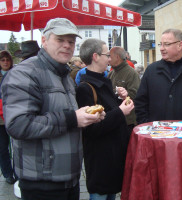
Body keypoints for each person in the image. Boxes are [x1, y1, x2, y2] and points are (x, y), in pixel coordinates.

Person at [1, 18, 105, 200]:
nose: (67, 45)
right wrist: (73, 118)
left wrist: (88, 116)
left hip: (69, 178)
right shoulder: (24, 73)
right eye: (60, 40)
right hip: (41, 182)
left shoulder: (64, 75)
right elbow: (18, 125)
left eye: (71, 42)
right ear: (44, 40)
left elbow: (68, 118)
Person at [76, 39, 134, 200]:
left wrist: (121, 99)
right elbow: (92, 129)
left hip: (111, 158)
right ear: (95, 56)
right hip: (101, 161)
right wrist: (121, 111)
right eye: (106, 54)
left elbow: (109, 111)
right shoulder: (85, 88)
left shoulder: (104, 80)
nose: (109, 58)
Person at [108, 46, 140, 133]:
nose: (108, 59)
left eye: (110, 56)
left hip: (127, 121)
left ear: (117, 57)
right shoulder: (111, 73)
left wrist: (119, 93)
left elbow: (135, 94)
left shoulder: (131, 73)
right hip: (115, 118)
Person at [0, 50, 15, 184]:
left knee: (16, 146)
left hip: (13, 115)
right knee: (2, 148)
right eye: (2, 60)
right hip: (0, 119)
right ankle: (7, 173)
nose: (5, 62)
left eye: (7, 60)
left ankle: (17, 171)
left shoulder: (15, 73)